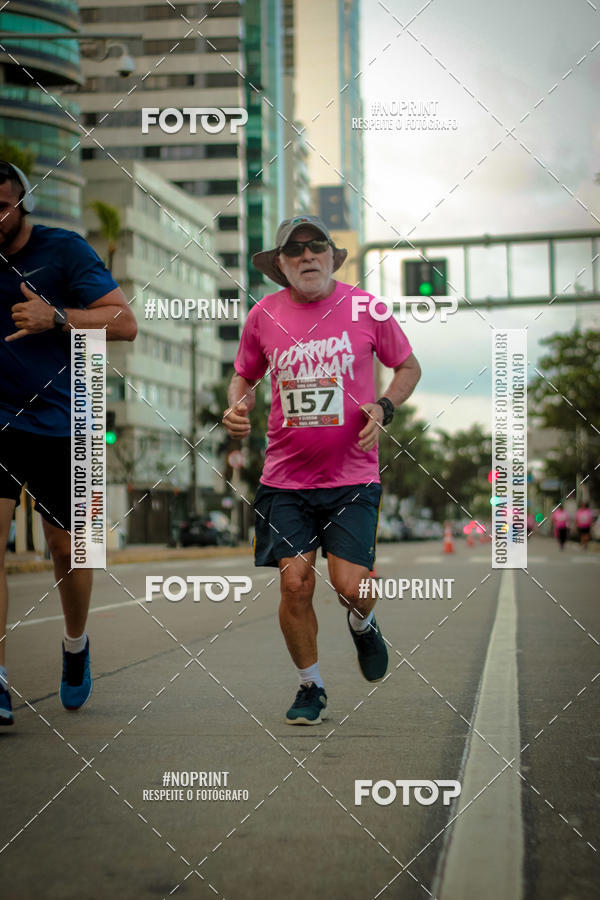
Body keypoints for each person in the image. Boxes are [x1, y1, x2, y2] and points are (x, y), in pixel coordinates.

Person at [222, 214, 421, 725]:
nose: (308, 255)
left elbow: (409, 367)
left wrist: (383, 407)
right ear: (282, 266)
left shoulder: (366, 307)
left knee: (350, 586)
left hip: (352, 476)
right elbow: (243, 374)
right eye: (295, 249)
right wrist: (236, 408)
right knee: (294, 584)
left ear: (332, 256)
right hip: (283, 480)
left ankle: (364, 624)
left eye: (318, 246)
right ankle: (311, 686)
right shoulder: (263, 314)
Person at [0, 161, 137, 726]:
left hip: (65, 423)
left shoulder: (64, 250)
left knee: (69, 551)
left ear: (22, 203)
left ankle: (76, 643)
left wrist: (55, 318)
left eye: (2, 205)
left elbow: (125, 322)